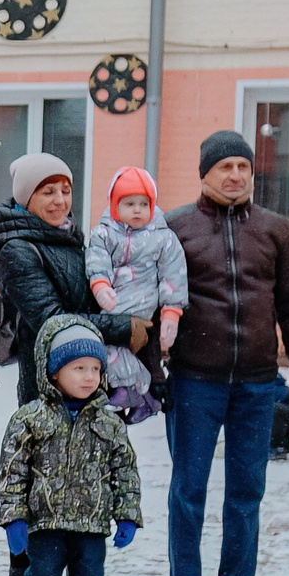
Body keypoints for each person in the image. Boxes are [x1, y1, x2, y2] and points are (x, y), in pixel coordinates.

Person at [164, 131, 289, 576]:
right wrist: (150, 376)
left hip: (257, 384)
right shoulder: (175, 229)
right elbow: (151, 304)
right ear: (204, 173)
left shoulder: (276, 231)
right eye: (225, 167)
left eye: (243, 166)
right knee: (188, 488)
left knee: (246, 490)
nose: (235, 175)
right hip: (193, 382)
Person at [0, 152, 141, 576]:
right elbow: (53, 320)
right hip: (44, 387)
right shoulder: (17, 249)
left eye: (65, 189)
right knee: (39, 487)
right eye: (47, 191)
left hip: (87, 386)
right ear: (27, 196)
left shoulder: (73, 239)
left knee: (85, 483)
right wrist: (120, 327)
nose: (59, 199)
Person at [0, 317, 141, 576]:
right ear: (54, 372)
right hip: (45, 524)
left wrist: (126, 514)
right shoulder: (30, 419)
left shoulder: (108, 424)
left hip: (91, 526)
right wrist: (14, 518)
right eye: (78, 368)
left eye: (95, 368)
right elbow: (13, 472)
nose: (89, 377)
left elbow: (125, 471)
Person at [86, 165, 186, 424]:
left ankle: (137, 391)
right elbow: (96, 260)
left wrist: (171, 313)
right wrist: (100, 285)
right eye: (129, 203)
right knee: (105, 349)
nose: (138, 210)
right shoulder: (103, 233)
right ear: (115, 205)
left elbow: (173, 274)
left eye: (144, 203)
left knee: (120, 349)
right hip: (112, 304)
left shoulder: (163, 238)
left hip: (143, 304)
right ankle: (137, 394)